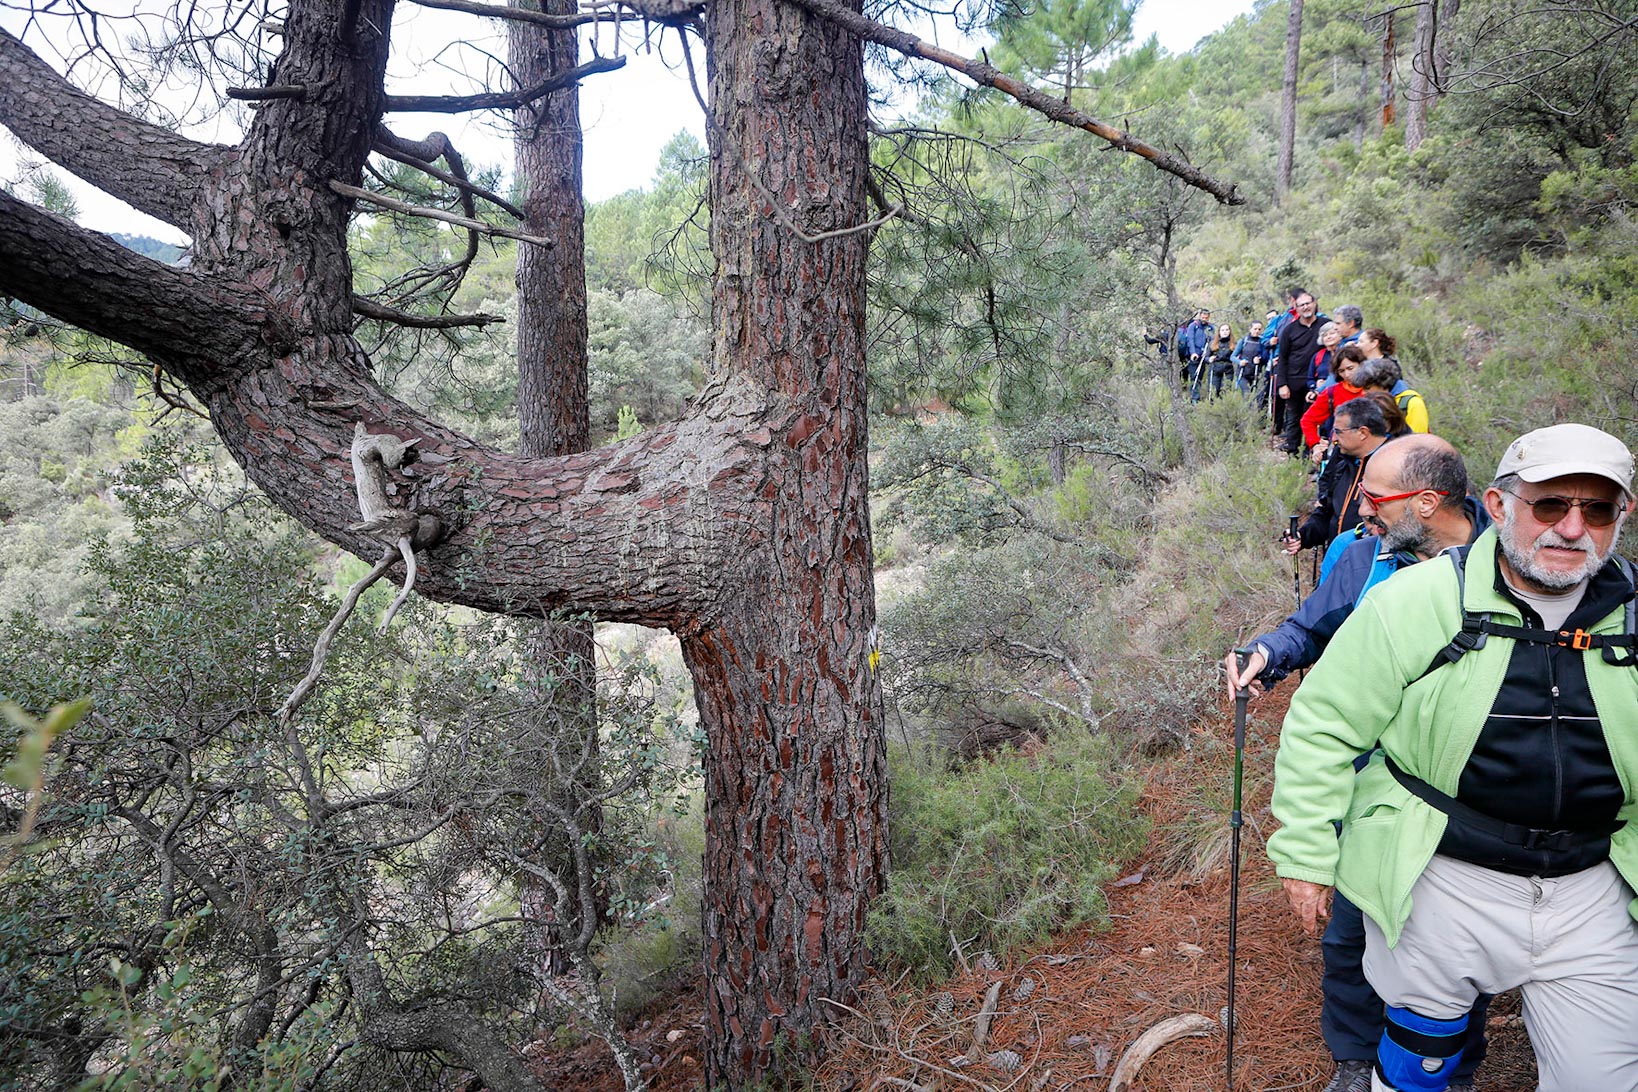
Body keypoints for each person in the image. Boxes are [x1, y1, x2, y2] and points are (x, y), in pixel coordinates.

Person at [1269, 423, 1638, 1092]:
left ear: (1623, 517)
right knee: (1419, 1059)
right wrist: (1305, 853)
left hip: (1594, 882)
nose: (1573, 528)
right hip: (1441, 872)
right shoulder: (1416, 602)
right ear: (1498, 507)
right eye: (1550, 505)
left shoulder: (1632, 620)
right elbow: (1325, 722)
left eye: (1599, 509)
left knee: (1602, 1076)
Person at [1228, 435, 1493, 1092]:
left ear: (1428, 503)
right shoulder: (1362, 554)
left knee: (1460, 948)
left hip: (1468, 804)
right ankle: (1353, 1058)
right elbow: (1313, 625)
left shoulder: (1511, 571)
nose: (1360, 509)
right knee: (1349, 936)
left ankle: (1453, 1064)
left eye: (1375, 498)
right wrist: (1268, 653)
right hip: (1371, 789)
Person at [1288, 394, 1396, 552]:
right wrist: (1303, 536)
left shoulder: (1398, 465)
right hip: (1338, 558)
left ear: (1362, 433)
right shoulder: (1342, 461)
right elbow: (1328, 511)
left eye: (1339, 432)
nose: (1335, 440)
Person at [1275, 289, 1328, 455]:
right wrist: (1282, 384)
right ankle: (1293, 453)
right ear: (1296, 308)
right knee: (1293, 419)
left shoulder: (1325, 326)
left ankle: (1310, 453)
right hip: (1293, 382)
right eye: (1301, 305)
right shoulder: (1289, 330)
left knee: (1312, 419)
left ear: (1314, 304)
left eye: (1308, 303)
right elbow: (1282, 358)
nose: (1305, 307)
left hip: (1317, 383)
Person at [1303, 345, 1367, 454]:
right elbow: (1308, 420)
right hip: (1343, 450)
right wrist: (1315, 444)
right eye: (1341, 371)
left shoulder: (1375, 389)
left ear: (1361, 365)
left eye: (1350, 368)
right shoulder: (1332, 392)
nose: (1347, 374)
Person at [1354, 344, 1430, 434]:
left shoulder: (1412, 403)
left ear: (1383, 383)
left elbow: (1417, 440)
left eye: (1368, 388)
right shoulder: (1375, 402)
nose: (1364, 393)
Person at [1234, 321, 1266, 397]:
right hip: (1243, 373)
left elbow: (1265, 356)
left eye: (1259, 329)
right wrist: (1240, 362)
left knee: (1258, 397)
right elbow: (1233, 357)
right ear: (1250, 329)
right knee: (1246, 393)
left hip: (1257, 374)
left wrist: (1260, 359)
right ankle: (1246, 409)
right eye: (1255, 329)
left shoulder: (1263, 341)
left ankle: (1254, 409)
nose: (1257, 331)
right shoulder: (1244, 341)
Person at [1207, 322, 1236, 398]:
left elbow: (1237, 356)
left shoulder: (1233, 343)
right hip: (1215, 369)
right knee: (1214, 391)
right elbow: (1206, 357)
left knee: (1226, 391)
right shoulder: (1213, 343)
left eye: (1227, 330)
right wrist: (1209, 359)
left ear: (1230, 331)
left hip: (1228, 370)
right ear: (1219, 332)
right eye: (1222, 330)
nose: (1225, 332)